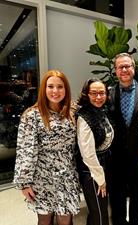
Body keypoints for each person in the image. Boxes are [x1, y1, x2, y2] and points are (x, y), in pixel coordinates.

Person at [13, 70, 80, 225]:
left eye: (60, 87)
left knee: (65, 219)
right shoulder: (32, 115)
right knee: (44, 220)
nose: (55, 91)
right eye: (50, 86)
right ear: (44, 89)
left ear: (66, 89)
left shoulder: (73, 111)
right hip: (42, 178)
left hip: (67, 176)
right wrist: (24, 182)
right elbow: (25, 150)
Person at [109, 53, 138, 225]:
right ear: (115, 71)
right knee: (117, 196)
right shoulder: (107, 94)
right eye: (120, 67)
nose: (124, 70)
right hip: (114, 156)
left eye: (127, 66)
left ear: (134, 68)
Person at [76, 78, 114, 225]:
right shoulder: (84, 116)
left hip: (103, 165)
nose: (98, 97)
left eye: (102, 93)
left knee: (101, 209)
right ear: (87, 94)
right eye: (94, 93)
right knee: (99, 213)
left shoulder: (101, 110)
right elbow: (88, 154)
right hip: (92, 171)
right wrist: (100, 179)